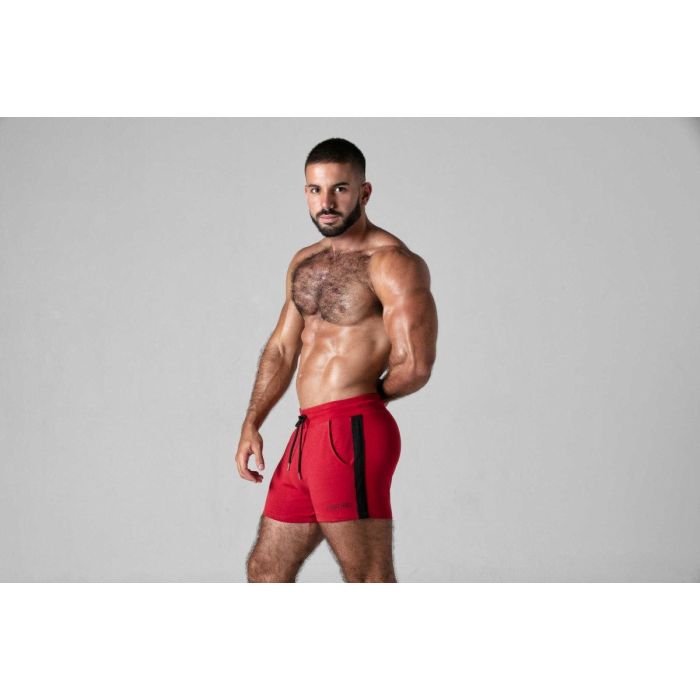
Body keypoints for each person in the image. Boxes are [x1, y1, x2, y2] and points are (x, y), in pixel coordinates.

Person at [236, 137, 438, 582]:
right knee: (265, 570)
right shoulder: (305, 262)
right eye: (315, 190)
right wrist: (252, 422)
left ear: (364, 192)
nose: (326, 203)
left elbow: (415, 364)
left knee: (367, 576)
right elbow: (282, 347)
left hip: (351, 430)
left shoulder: (392, 263)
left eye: (339, 189)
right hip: (306, 433)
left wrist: (361, 402)